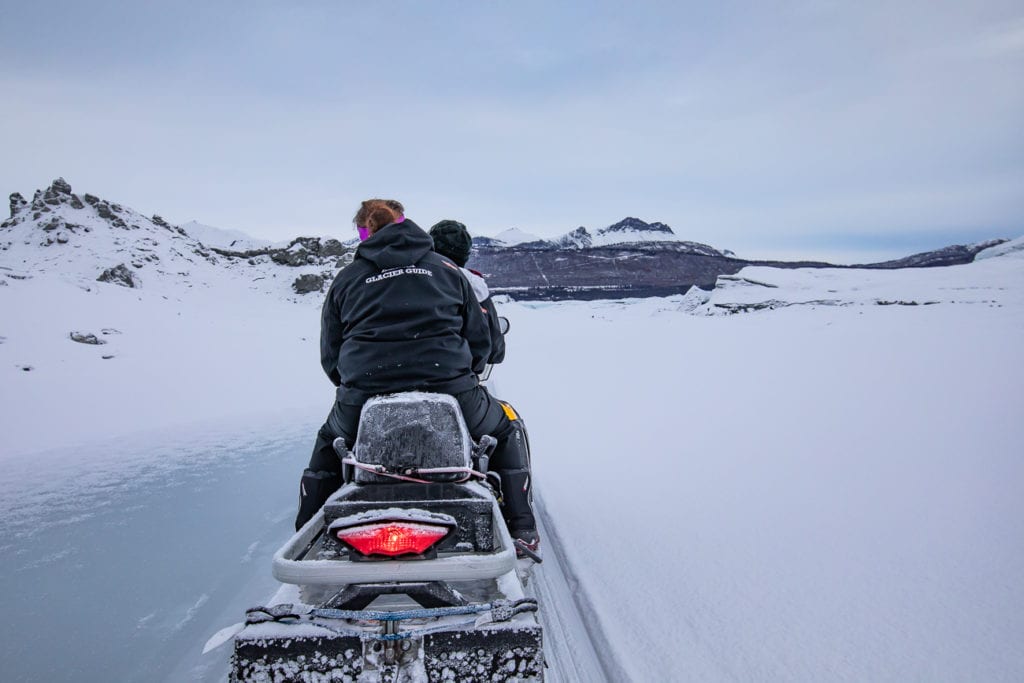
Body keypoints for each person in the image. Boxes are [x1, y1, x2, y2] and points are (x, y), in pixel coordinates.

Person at [295, 200, 538, 554]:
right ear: (405, 223)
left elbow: (330, 357)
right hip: (450, 390)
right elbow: (480, 342)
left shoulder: (346, 279)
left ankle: (308, 536)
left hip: (365, 396)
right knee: (504, 428)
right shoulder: (445, 269)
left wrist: (360, 384)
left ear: (364, 232)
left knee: (329, 443)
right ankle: (522, 527)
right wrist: (459, 373)